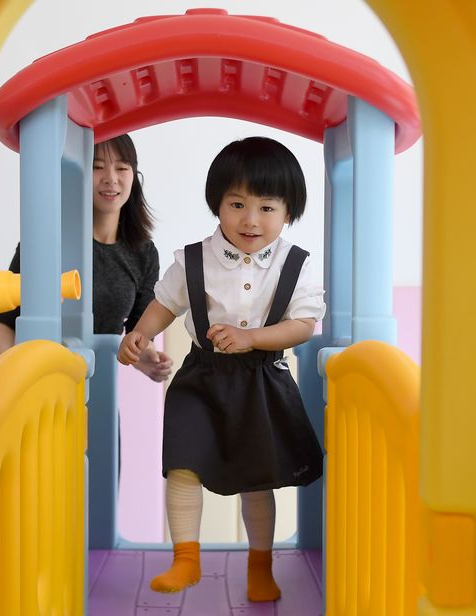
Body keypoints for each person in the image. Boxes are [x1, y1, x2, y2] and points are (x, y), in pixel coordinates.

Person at [117, 137, 326, 602]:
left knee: (256, 480)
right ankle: (185, 559)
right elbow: (164, 304)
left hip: (260, 381)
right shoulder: (194, 259)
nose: (250, 220)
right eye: (237, 204)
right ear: (218, 204)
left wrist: (253, 338)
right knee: (183, 464)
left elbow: (303, 325)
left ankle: (260, 566)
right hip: (201, 378)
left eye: (266, 208)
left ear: (288, 213)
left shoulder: (295, 265)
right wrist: (141, 333)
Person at [0, 134, 172, 382]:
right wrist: (22, 380)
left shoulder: (145, 253)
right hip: (44, 387)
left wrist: (143, 358)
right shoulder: (45, 242)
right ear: (79, 174)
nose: (110, 178)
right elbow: (0, 326)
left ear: (134, 176)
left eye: (121, 168)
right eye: (97, 167)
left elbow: (138, 333)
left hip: (98, 386)